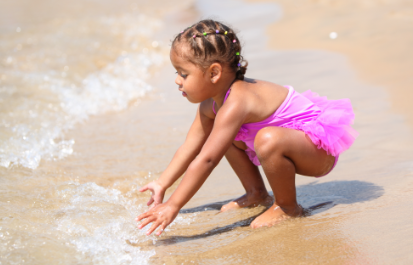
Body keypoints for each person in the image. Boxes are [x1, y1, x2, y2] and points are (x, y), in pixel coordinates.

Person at [136, 19, 358, 236]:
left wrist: (173, 205)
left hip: (317, 151)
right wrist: (162, 182)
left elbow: (207, 160)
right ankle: (256, 194)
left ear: (214, 73)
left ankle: (287, 207)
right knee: (224, 136)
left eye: (184, 74)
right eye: (176, 73)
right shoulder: (211, 104)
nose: (177, 80)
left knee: (266, 138)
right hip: (290, 144)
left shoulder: (237, 102)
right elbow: (190, 147)